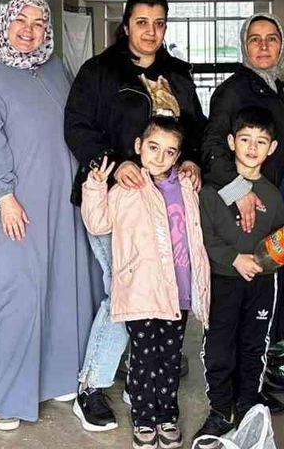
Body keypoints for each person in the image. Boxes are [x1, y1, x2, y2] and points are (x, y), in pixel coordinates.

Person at [64, 0, 206, 431]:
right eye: (142, 22)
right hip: (117, 199)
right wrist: (113, 162)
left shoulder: (177, 73)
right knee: (122, 295)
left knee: (157, 291)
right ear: (126, 25)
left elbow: (195, 129)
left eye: (159, 23)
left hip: (166, 202)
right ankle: (91, 385)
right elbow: (77, 127)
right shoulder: (99, 71)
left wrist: (192, 160)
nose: (151, 31)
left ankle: (141, 374)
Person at [0, 0, 97, 430]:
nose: (28, 29)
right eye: (20, 20)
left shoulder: (56, 69)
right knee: (18, 294)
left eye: (39, 22)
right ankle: (5, 394)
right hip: (19, 205)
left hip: (64, 203)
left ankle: (57, 376)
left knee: (64, 286)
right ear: (5, 24)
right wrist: (3, 197)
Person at [80, 117, 211, 449]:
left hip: (178, 292)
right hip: (140, 290)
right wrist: (95, 185)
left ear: (178, 155)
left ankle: (167, 416)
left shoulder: (186, 187)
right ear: (138, 146)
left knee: (170, 359)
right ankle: (144, 418)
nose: (160, 157)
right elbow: (97, 224)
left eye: (170, 151)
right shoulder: (126, 188)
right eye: (153, 148)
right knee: (143, 359)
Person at [200, 14, 284, 383]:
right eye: (255, 39)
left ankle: (261, 372)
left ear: (281, 45)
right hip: (246, 209)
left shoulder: (271, 85)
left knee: (266, 293)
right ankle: (244, 381)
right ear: (244, 46)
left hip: (270, 204)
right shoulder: (234, 91)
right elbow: (212, 147)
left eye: (271, 38)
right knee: (245, 300)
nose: (263, 45)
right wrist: (239, 191)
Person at [195, 106, 284, 441]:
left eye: (261, 141)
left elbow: (280, 239)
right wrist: (234, 258)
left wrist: (283, 253)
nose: (252, 147)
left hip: (262, 284)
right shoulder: (212, 191)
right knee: (219, 347)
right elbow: (205, 237)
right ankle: (221, 410)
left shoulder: (273, 195)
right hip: (222, 280)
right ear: (231, 142)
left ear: (271, 148)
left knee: (254, 345)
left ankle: (248, 404)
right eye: (245, 139)